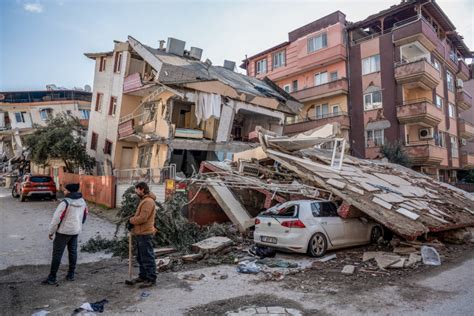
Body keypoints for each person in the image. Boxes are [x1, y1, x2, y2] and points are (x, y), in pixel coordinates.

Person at [42, 183, 88, 285]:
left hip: (63, 232)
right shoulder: (83, 202)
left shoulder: (65, 203)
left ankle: (52, 278)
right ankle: (71, 275)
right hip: (75, 231)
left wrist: (51, 232)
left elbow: (56, 219)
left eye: (65, 190)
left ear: (69, 191)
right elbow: (84, 216)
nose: (64, 191)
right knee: (73, 252)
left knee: (57, 254)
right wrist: (78, 226)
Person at [125, 182, 157, 288]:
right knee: (141, 257)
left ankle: (151, 279)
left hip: (145, 233)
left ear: (142, 189)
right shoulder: (144, 200)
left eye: (137, 189)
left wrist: (131, 221)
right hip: (140, 233)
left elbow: (143, 218)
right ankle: (143, 276)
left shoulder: (148, 201)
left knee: (147, 257)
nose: (135, 192)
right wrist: (132, 222)